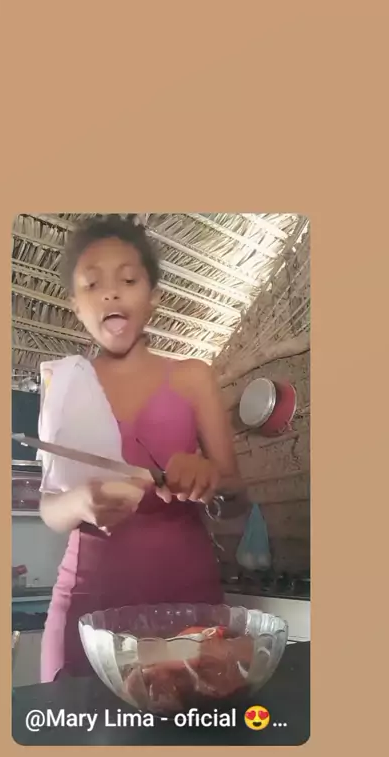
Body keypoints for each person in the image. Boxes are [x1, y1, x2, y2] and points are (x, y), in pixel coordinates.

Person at [39, 214, 243, 681]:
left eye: (128, 280)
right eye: (92, 284)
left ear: (152, 298)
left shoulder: (193, 378)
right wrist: (79, 502)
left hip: (186, 602)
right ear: (75, 306)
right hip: (86, 606)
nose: (111, 293)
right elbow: (50, 509)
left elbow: (237, 498)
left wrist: (210, 478)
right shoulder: (62, 385)